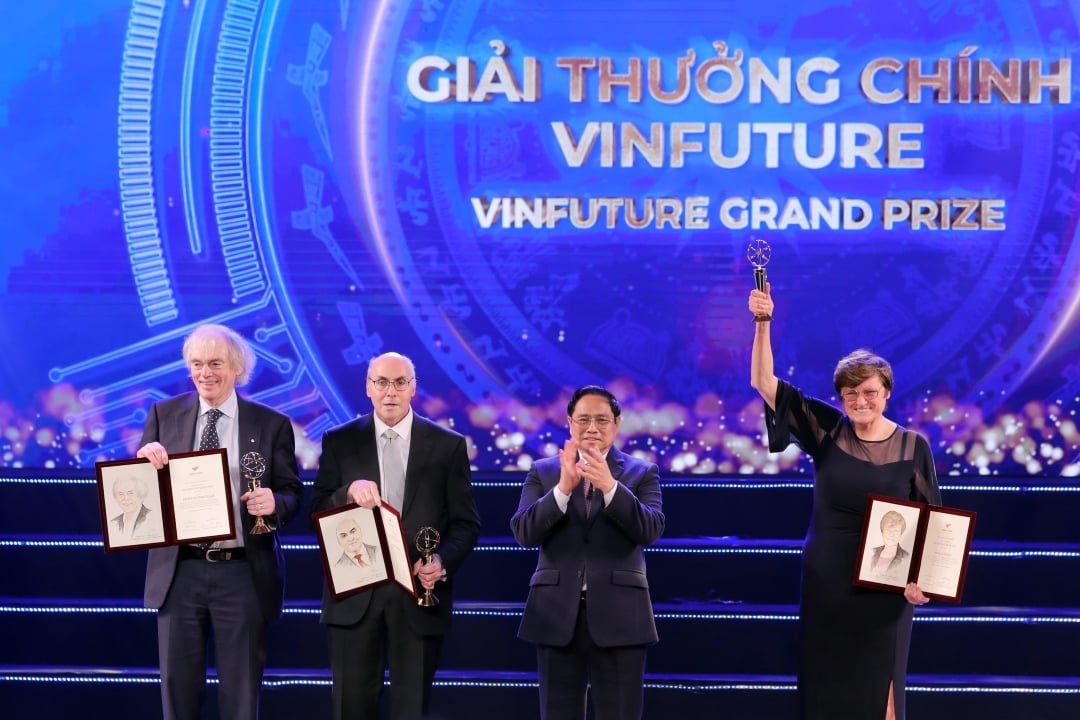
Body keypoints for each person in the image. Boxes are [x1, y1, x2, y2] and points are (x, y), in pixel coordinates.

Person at [748, 283, 941, 720]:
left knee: (882, 691)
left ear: (887, 392)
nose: (860, 400)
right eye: (850, 393)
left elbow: (932, 520)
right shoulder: (828, 430)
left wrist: (923, 581)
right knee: (828, 689)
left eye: (869, 391)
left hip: (886, 586)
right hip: (827, 580)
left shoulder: (913, 447)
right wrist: (762, 322)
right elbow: (763, 382)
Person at [136, 323, 303, 720]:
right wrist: (141, 466)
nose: (204, 373)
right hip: (179, 572)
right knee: (178, 694)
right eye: (197, 363)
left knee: (241, 698)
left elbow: (293, 493)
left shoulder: (271, 423)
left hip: (242, 573)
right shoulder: (163, 415)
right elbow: (142, 493)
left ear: (237, 368)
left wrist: (274, 503)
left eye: (215, 363)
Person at [311, 351, 481, 720]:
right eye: (382, 382)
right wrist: (347, 493)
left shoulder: (448, 445)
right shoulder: (339, 440)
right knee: (350, 709)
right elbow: (317, 510)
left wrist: (441, 561)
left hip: (418, 595)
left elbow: (466, 524)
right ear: (368, 388)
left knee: (412, 710)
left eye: (400, 382)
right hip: (354, 595)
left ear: (413, 388)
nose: (391, 391)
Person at [511, 385, 665, 720]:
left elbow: (651, 529)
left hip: (621, 616)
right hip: (555, 614)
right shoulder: (544, 471)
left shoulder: (642, 472)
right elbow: (524, 532)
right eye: (583, 419)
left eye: (601, 420)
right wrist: (562, 490)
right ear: (569, 422)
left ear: (617, 423)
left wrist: (610, 487)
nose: (592, 428)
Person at [333, 515, 383, 587]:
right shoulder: (338, 569)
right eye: (343, 536)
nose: (350, 538)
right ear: (339, 542)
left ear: (360, 530)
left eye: (353, 531)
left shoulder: (379, 550)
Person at [110, 472, 158, 544]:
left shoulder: (153, 517)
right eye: (120, 494)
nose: (126, 498)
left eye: (130, 493)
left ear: (141, 495)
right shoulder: (113, 523)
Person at [868, 511, 911, 578]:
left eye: (896, 531)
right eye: (888, 529)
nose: (891, 534)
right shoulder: (870, 553)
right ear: (882, 531)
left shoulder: (906, 557)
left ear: (901, 534)